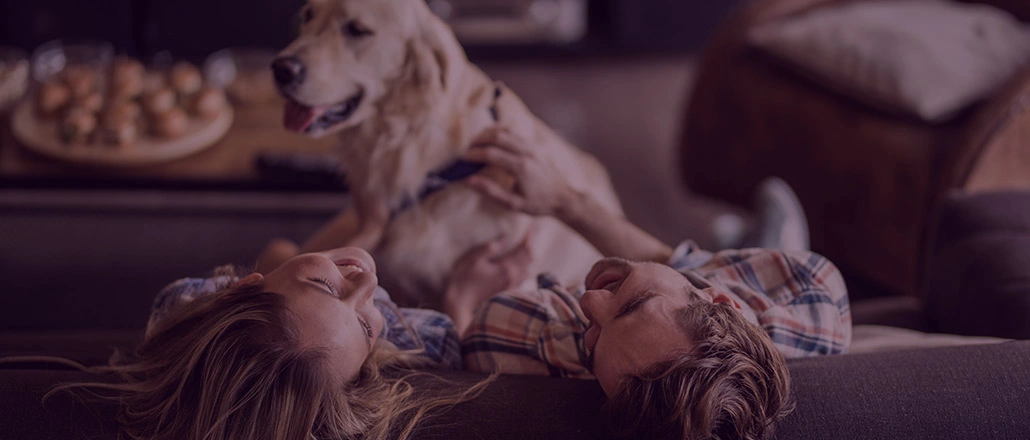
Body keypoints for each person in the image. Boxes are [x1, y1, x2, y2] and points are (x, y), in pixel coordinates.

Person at [451, 127, 852, 440]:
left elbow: (467, 343)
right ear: (721, 300)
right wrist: (565, 199)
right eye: (631, 306)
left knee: (677, 273)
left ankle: (736, 248)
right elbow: (683, 270)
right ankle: (745, 248)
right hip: (749, 283)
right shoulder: (813, 295)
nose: (589, 300)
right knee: (694, 266)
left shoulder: (511, 337)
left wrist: (460, 299)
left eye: (593, 343)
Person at [47, 241, 531, 440]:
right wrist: (462, 297)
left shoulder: (177, 305)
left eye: (324, 287)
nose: (368, 284)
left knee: (281, 251)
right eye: (367, 324)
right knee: (283, 252)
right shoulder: (431, 343)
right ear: (362, 376)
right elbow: (456, 340)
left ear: (239, 287)